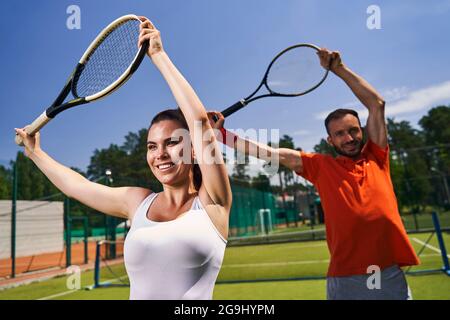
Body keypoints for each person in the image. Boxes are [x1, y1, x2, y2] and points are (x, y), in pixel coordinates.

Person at [15, 16, 232, 300]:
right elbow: (79, 186)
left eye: (171, 143)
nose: (160, 154)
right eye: (151, 146)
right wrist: (36, 154)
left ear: (193, 149)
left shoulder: (213, 202)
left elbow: (200, 124)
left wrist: (158, 55)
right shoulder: (138, 202)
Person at [208, 48, 419, 300]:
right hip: (345, 277)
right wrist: (223, 135)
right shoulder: (320, 166)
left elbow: (377, 104)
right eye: (340, 134)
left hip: (389, 274)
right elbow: (272, 153)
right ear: (330, 140)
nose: (349, 138)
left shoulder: (377, 157)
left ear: (362, 131)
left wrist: (337, 69)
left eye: (353, 131)